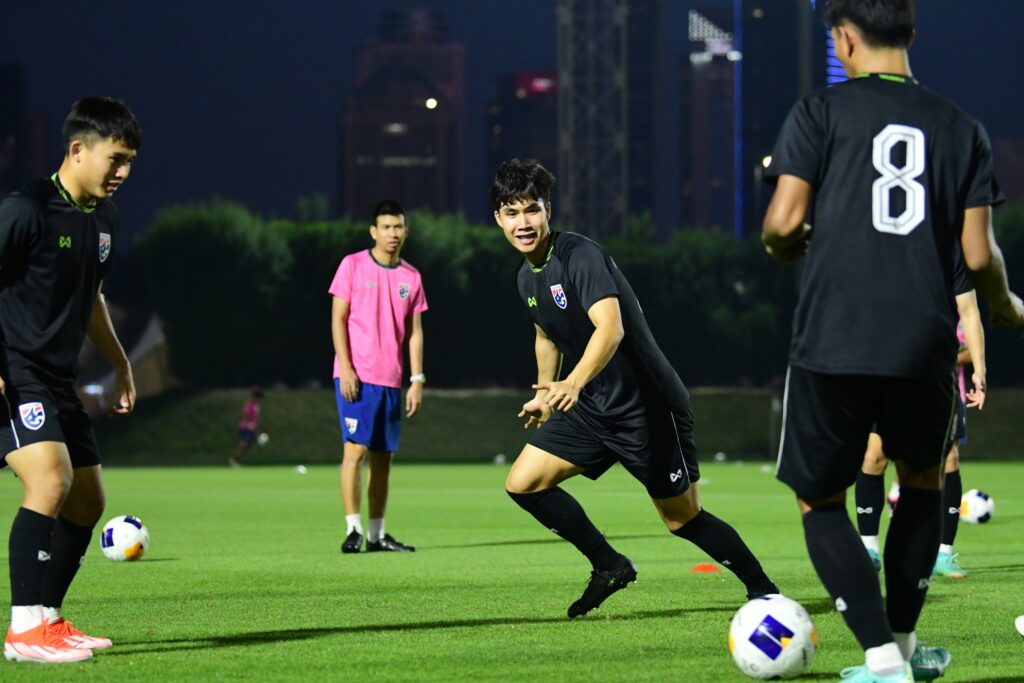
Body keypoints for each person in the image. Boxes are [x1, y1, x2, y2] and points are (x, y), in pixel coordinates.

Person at [762, 1, 1024, 680]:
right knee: (923, 482)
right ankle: (905, 648)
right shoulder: (960, 127)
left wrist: (784, 247)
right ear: (911, 32)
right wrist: (1004, 304)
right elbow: (978, 254)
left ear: (844, 39)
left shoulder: (818, 111)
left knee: (820, 498)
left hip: (833, 336)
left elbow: (782, 224)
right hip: (922, 340)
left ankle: (882, 659)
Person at [494, 158, 778, 619]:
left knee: (682, 519)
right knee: (523, 484)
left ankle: (765, 591)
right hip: (592, 407)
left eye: (531, 210)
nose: (523, 223)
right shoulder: (527, 276)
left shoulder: (579, 255)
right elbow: (545, 334)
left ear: (548, 210)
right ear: (499, 218)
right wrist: (546, 394)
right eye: (512, 213)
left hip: (646, 406)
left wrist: (573, 382)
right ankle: (609, 565)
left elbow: (610, 328)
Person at [0, 97, 141, 663]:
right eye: (115, 158)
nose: (122, 172)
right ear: (77, 149)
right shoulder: (26, 209)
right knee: (51, 481)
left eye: (129, 162)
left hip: (58, 377)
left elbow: (91, 299)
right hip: (15, 370)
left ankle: (48, 618)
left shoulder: (103, 218)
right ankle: (22, 630)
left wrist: (121, 362)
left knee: (87, 500)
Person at [856, 290, 986, 578]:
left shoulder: (951, 273)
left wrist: (978, 368)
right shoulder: (888, 273)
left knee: (949, 460)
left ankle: (943, 554)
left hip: (940, 381)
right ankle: (869, 550)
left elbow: (970, 317)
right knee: (874, 456)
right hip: (888, 377)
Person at [330, 200, 427, 554]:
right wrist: (346, 368)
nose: (392, 233)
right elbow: (338, 320)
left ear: (406, 231)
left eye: (398, 227)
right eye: (386, 227)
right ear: (374, 231)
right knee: (355, 451)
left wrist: (416, 379)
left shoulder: (411, 277)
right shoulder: (352, 265)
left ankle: (376, 534)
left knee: (383, 459)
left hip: (391, 380)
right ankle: (353, 530)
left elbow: (415, 333)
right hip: (357, 377)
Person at [228, 388, 264, 468]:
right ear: (254, 396)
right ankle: (233, 459)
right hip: (245, 427)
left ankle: (236, 459)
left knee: (248, 446)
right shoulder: (249, 404)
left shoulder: (257, 406)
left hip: (252, 428)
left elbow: (256, 418)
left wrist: (255, 426)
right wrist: (247, 422)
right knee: (245, 442)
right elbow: (245, 413)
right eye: (258, 397)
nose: (259, 399)